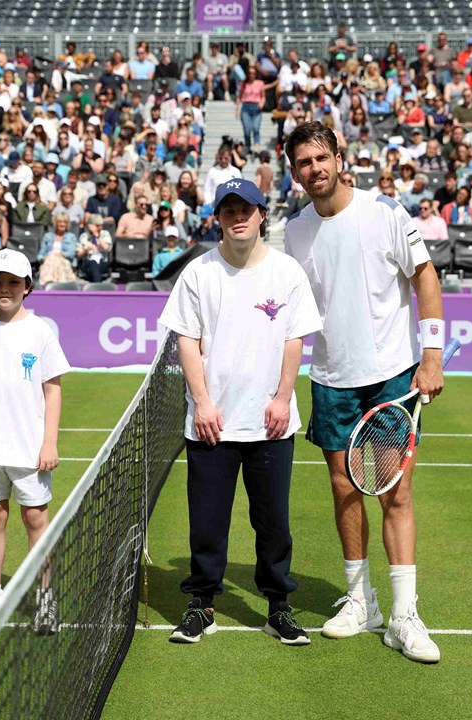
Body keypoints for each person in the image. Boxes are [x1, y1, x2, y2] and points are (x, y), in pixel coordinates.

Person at [283, 122, 446, 664]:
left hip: (394, 374)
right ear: (295, 171)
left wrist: (432, 354)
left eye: (321, 158)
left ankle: (404, 614)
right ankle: (360, 601)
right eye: (304, 163)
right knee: (344, 489)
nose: (315, 169)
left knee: (395, 493)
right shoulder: (296, 231)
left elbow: (425, 275)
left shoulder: (385, 212)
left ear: (338, 156)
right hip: (331, 378)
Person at [158, 178, 322, 646]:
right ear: (218, 218)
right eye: (229, 210)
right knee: (207, 521)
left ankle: (278, 608)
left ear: (262, 213)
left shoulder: (287, 272)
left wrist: (283, 396)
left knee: (273, 523)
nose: (238, 217)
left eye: (246, 208)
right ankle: (202, 605)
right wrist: (204, 403)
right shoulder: (198, 273)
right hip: (211, 423)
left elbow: (295, 337)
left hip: (271, 423)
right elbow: (186, 340)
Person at [0, 248, 70, 632]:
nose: (4, 289)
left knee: (35, 518)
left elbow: (53, 390)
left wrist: (49, 443)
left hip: (29, 447)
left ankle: (45, 598)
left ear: (27, 286)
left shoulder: (40, 331)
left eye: (12, 282)